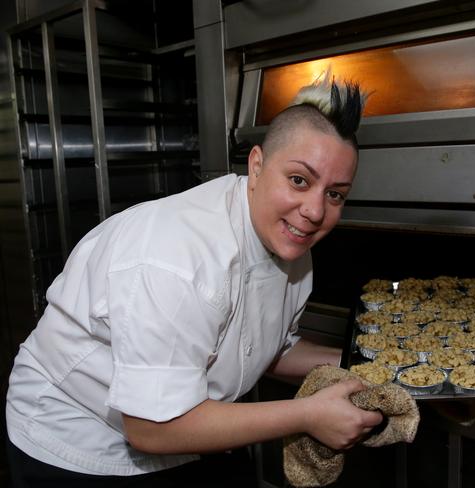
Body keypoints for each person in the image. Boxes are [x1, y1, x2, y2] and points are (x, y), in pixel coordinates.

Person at [5, 72, 383, 486]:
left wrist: (374, 365)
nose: (315, 210)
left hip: (183, 427)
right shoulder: (177, 258)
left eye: (335, 194)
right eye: (299, 180)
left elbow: (262, 347)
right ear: (256, 166)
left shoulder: (290, 245)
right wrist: (309, 415)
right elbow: (152, 427)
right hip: (78, 442)